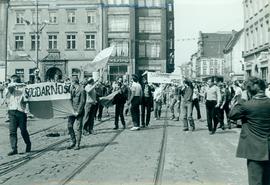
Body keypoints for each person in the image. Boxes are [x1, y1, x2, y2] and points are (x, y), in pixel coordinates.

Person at [229, 77, 270, 185]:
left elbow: (232, 115)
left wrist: (242, 99)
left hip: (254, 150)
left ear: (249, 91)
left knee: (255, 181)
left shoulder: (247, 105)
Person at [4, 82, 31, 156]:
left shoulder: (21, 92)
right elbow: (6, 103)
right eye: (8, 88)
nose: (9, 89)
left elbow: (27, 100)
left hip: (21, 113)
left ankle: (28, 144)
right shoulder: (7, 94)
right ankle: (14, 149)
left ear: (14, 87)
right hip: (12, 113)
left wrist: (26, 111)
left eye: (11, 88)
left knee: (23, 130)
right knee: (12, 131)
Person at [67, 77, 86, 150]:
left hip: (79, 112)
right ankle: (73, 141)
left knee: (78, 128)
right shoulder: (72, 89)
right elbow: (70, 99)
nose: (71, 83)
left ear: (74, 82)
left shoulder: (82, 90)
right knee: (69, 126)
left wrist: (78, 111)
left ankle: (77, 144)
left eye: (71, 82)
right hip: (72, 111)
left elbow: (82, 102)